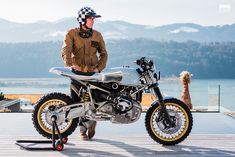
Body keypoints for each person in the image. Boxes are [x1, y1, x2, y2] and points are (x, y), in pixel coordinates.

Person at [61, 6, 108, 140]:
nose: (93, 20)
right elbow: (66, 51)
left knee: (93, 102)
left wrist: (99, 68)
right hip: (77, 74)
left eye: (93, 18)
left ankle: (91, 124)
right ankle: (80, 130)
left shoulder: (97, 35)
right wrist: (71, 65)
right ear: (82, 19)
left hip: (93, 75)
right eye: (90, 18)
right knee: (76, 103)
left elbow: (104, 54)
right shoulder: (71, 33)